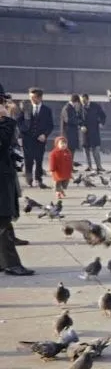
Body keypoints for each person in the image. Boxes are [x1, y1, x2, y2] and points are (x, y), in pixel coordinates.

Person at [0, 92, 34, 275]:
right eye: (3, 102)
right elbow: (3, 142)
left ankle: (5, 262)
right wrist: (6, 119)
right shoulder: (4, 121)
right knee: (3, 221)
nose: (6, 104)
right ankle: (12, 264)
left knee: (3, 221)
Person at [16, 87, 54, 189]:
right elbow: (19, 121)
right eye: (30, 97)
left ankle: (38, 180)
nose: (32, 99)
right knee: (28, 160)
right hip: (27, 139)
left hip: (40, 140)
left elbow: (50, 125)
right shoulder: (25, 108)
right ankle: (29, 180)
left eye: (34, 97)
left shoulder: (47, 110)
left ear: (40, 98)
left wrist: (45, 135)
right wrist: (23, 131)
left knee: (39, 160)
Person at [79, 94, 106, 171]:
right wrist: (81, 125)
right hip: (84, 132)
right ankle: (89, 166)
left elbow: (103, 115)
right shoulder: (80, 107)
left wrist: (101, 123)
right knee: (86, 150)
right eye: (82, 101)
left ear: (88, 99)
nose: (83, 103)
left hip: (94, 131)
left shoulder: (95, 106)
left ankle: (99, 166)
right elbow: (77, 118)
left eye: (84, 101)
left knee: (96, 150)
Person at [60, 94, 82, 159]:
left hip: (71, 133)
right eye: (78, 103)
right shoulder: (67, 108)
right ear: (76, 102)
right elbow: (67, 120)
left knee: (72, 150)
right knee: (68, 150)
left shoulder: (71, 108)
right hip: (68, 133)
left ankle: (70, 166)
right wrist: (78, 122)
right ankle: (68, 167)